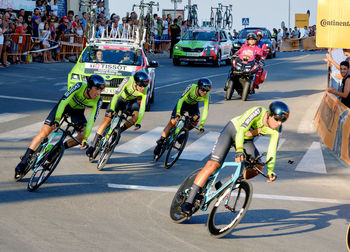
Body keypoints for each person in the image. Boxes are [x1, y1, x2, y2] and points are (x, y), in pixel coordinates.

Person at [181, 101, 290, 216]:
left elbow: (272, 149)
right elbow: (241, 131)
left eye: (282, 121)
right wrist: (239, 150)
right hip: (232, 131)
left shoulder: (277, 130)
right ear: (269, 114)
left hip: (246, 140)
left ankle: (224, 183)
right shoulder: (258, 112)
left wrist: (270, 170)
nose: (279, 123)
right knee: (213, 165)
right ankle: (188, 201)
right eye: (277, 119)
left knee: (258, 167)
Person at [14, 75, 105, 179]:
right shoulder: (79, 86)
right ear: (89, 87)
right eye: (96, 89)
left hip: (77, 112)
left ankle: (57, 149)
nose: (98, 93)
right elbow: (63, 102)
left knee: (82, 136)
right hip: (64, 106)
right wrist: (57, 119)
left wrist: (85, 138)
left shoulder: (98, 100)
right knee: (44, 132)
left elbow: (91, 120)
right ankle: (24, 160)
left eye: (101, 90)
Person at [86, 71, 149, 157]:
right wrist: (112, 109)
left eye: (144, 86)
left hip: (131, 102)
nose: (142, 88)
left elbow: (142, 106)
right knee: (107, 119)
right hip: (119, 99)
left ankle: (118, 131)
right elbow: (116, 95)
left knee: (135, 117)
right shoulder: (128, 80)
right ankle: (93, 146)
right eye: (141, 86)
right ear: (135, 82)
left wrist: (138, 121)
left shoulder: (145, 88)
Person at [153, 78, 212, 158]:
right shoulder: (191, 87)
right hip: (183, 103)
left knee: (195, 121)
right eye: (203, 90)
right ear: (198, 87)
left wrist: (202, 124)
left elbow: (205, 109)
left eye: (207, 91)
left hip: (193, 106)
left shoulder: (207, 95)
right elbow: (181, 100)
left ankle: (182, 133)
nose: (205, 92)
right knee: (173, 122)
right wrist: (177, 113)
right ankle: (160, 143)